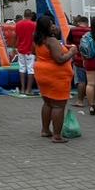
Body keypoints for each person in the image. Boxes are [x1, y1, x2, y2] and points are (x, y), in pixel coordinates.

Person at [34, 14, 76, 142]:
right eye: (51, 24)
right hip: (56, 76)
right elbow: (59, 59)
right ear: (47, 27)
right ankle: (57, 136)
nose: (54, 26)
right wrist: (71, 52)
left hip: (42, 73)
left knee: (47, 103)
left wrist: (63, 48)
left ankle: (45, 130)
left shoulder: (38, 39)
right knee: (58, 105)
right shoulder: (51, 41)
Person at [14, 9, 37, 95]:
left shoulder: (18, 24)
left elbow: (16, 37)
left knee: (22, 68)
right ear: (31, 15)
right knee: (30, 70)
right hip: (30, 50)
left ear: (24, 15)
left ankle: (22, 89)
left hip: (21, 49)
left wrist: (14, 47)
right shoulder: (34, 25)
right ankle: (28, 89)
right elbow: (34, 38)